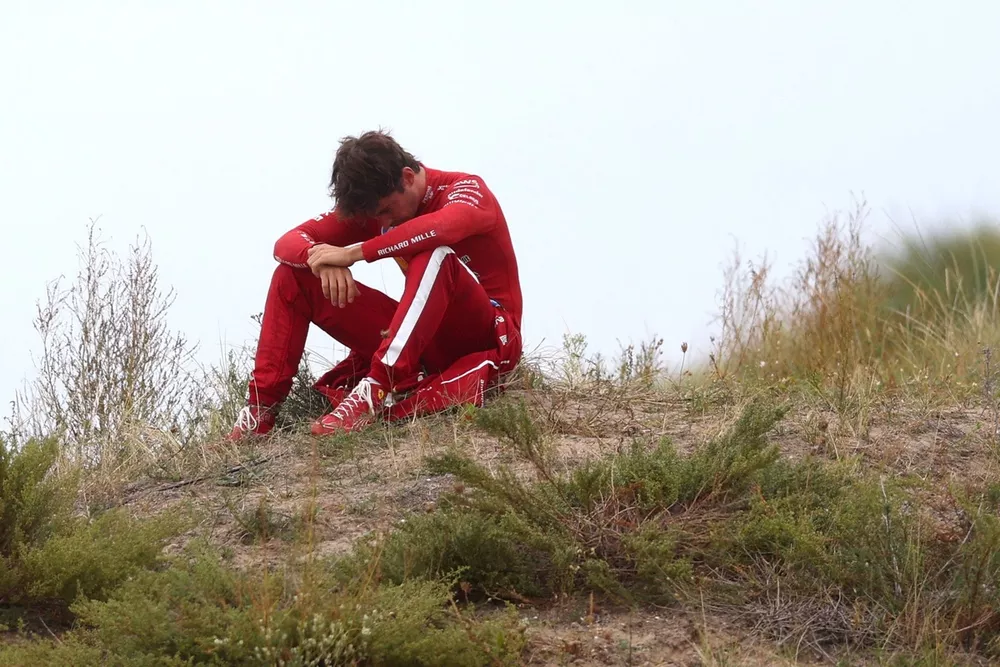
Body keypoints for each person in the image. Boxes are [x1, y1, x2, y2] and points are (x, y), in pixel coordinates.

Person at [228, 130, 523, 439]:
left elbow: (443, 228)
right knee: (292, 276)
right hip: (421, 339)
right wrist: (320, 259)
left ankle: (376, 391)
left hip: (485, 333)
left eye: (385, 212)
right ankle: (260, 412)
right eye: (376, 216)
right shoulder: (382, 208)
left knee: (434, 252)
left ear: (408, 177)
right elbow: (286, 243)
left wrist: (352, 253)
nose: (384, 223)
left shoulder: (467, 189)